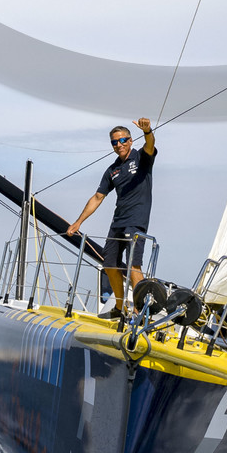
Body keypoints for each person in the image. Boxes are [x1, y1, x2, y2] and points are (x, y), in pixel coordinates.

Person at [68, 118, 156, 313]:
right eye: (114, 142)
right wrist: (78, 222)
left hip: (136, 220)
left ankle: (141, 311)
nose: (119, 145)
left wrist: (148, 131)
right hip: (118, 222)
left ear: (131, 141)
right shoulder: (112, 170)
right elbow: (98, 197)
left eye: (123, 140)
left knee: (134, 264)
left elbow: (150, 145)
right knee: (109, 264)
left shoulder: (141, 157)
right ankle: (119, 306)